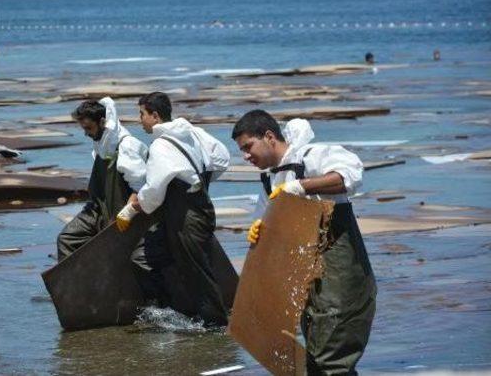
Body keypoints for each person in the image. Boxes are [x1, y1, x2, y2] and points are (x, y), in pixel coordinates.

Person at [231, 110, 376, 375]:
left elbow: (349, 176)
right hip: (307, 275)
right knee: (319, 341)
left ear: (269, 136)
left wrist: (302, 187)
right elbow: (266, 213)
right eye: (242, 150)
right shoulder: (270, 177)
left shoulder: (311, 156)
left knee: (333, 348)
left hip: (341, 270)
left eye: (248, 147)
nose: (246, 156)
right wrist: (258, 229)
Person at [116, 91, 231, 326]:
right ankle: (169, 313)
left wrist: (132, 208)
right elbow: (221, 158)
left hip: (187, 216)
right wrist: (199, 181)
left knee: (198, 271)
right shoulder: (192, 132)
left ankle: (216, 327)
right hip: (197, 208)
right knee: (142, 259)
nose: (140, 120)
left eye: (142, 114)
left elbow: (154, 192)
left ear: (155, 116)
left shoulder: (160, 146)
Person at [57, 98, 148, 261]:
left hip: (124, 211)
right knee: (67, 239)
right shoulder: (101, 142)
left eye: (88, 128)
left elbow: (142, 187)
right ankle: (76, 285)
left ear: (102, 121)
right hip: (98, 209)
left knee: (121, 257)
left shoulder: (126, 146)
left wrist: (128, 212)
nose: (86, 133)